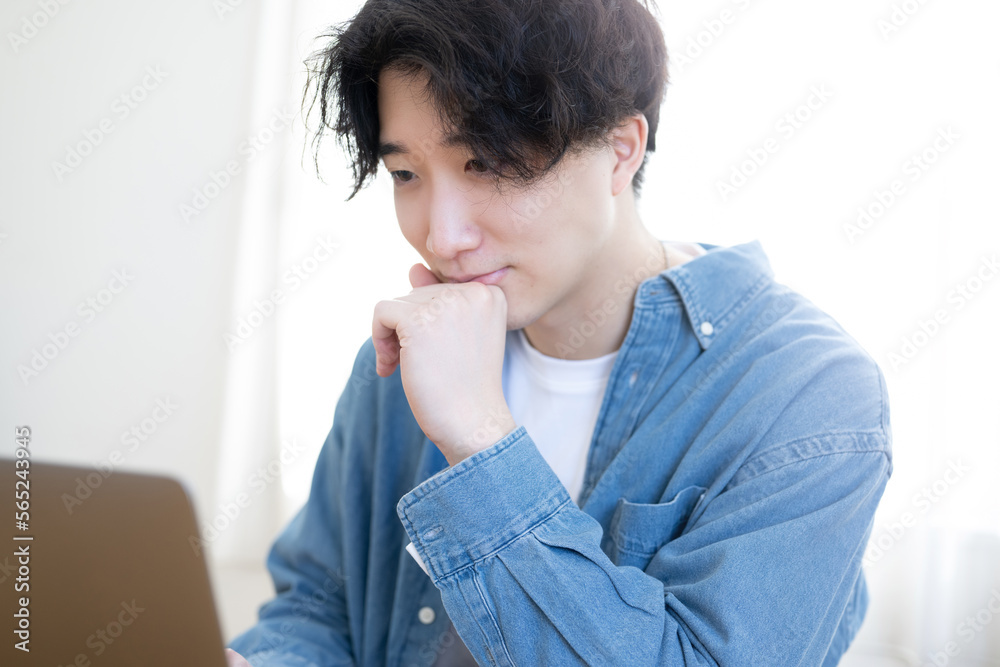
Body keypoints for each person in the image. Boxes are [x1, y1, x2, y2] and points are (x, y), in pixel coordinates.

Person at [226, 0, 893, 664]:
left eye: (486, 162)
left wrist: (481, 441)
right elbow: (319, 608)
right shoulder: (412, 356)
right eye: (405, 174)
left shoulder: (808, 393)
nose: (443, 236)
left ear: (620, 151)